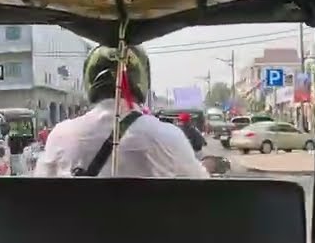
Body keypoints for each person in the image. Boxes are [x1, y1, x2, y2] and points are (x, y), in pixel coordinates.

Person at [34, 46, 206, 178]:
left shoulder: (60, 136)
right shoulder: (169, 137)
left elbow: (39, 192)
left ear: (90, 80)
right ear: (141, 80)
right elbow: (201, 188)